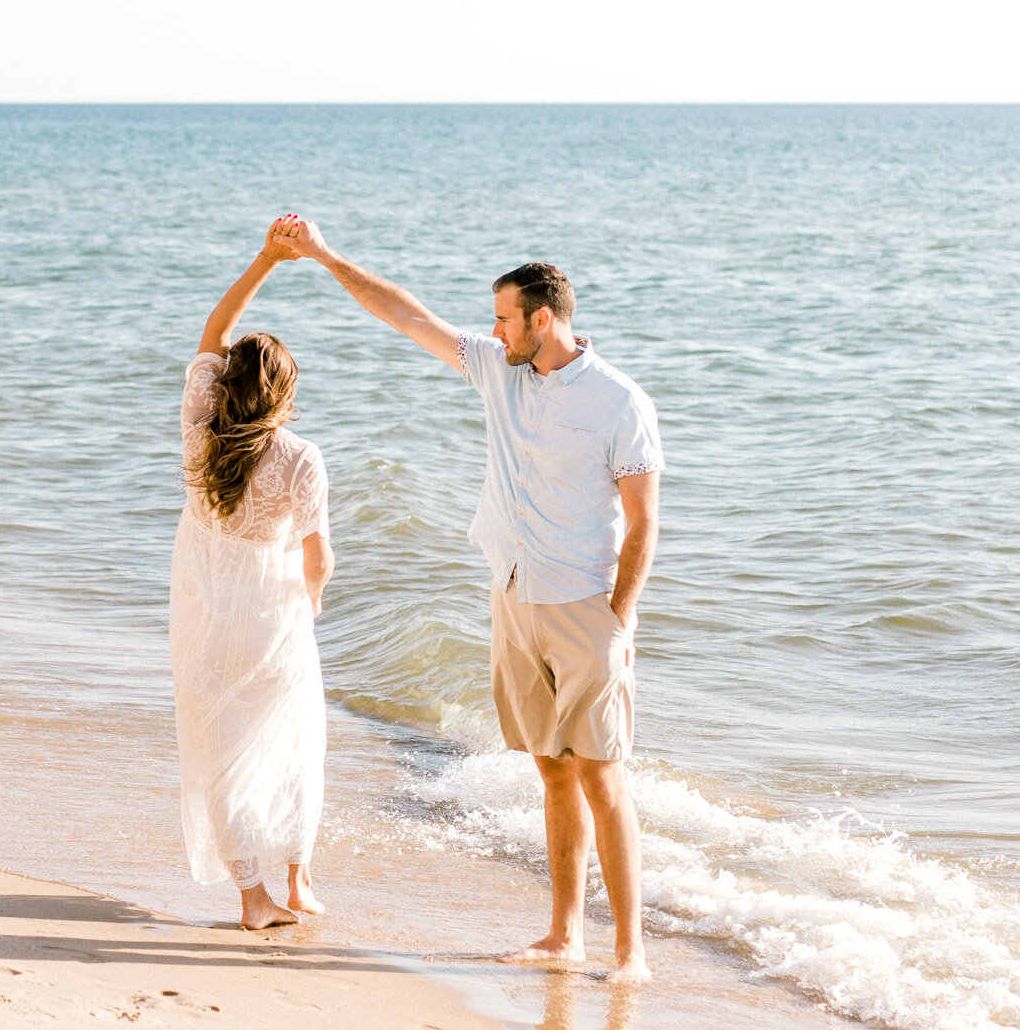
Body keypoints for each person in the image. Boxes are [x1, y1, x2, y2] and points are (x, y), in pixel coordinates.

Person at [273, 217, 661, 979]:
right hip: (513, 594)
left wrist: (619, 618)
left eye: (504, 317)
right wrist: (323, 257)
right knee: (550, 769)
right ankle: (562, 935)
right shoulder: (499, 370)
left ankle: (629, 951)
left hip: (585, 605)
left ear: (541, 319)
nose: (493, 329)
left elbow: (644, 523)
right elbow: (406, 314)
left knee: (600, 774)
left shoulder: (619, 402)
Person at [169, 218, 335, 931]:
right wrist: (313, 604)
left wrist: (266, 258)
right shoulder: (301, 457)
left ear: (226, 379)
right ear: (286, 396)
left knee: (222, 750)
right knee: (295, 741)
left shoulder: (200, 419)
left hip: (205, 610)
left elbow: (216, 325)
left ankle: (253, 897)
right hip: (273, 616)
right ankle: (298, 880)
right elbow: (317, 553)